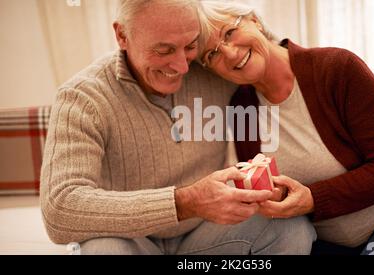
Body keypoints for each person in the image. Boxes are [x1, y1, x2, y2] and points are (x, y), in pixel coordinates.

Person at [39, 0, 316, 255]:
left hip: (204, 234)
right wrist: (184, 202)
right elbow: (59, 210)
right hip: (130, 240)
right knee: (103, 250)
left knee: (290, 229)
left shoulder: (210, 67)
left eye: (190, 46)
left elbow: (267, 60)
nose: (182, 65)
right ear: (122, 36)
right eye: (164, 50)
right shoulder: (82, 97)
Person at [198, 1, 374, 255]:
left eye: (229, 32)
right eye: (212, 54)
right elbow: (269, 188)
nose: (229, 53)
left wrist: (312, 199)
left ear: (255, 21)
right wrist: (277, 196)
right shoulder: (242, 107)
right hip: (319, 241)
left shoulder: (338, 68)